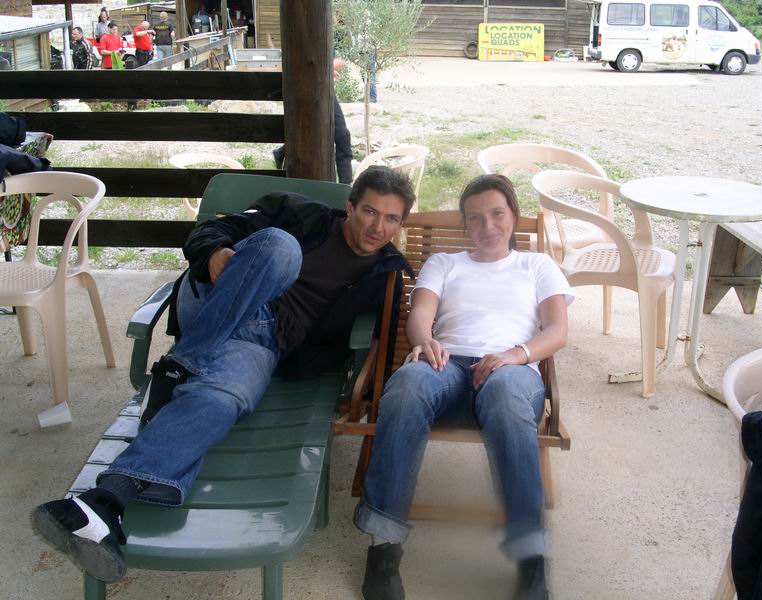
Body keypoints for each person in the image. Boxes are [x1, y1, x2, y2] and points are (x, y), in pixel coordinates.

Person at [30, 166, 415, 584]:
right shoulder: (300, 215)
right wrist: (213, 252)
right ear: (350, 207)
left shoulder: (385, 275)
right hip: (216, 298)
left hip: (262, 342)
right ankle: (182, 363)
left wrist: (362, 399)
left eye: (391, 218)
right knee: (280, 246)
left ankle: (101, 504)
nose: (377, 227)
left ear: (401, 223)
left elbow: (384, 346)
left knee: (223, 397)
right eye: (370, 212)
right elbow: (211, 231)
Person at [353, 174, 573, 600]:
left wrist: (515, 355)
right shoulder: (444, 263)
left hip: (510, 371)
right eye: (475, 218)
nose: (488, 225)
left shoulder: (538, 266)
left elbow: (557, 331)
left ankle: (531, 562)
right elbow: (421, 314)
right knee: (408, 385)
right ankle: (383, 550)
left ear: (513, 215)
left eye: (497, 214)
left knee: (506, 397)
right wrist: (424, 341)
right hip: (446, 365)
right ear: (465, 223)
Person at [273, 58, 353, 185]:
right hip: (306, 86)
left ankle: (346, 184)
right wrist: (328, 68)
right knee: (315, 131)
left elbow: (340, 61)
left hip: (322, 87)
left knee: (341, 134)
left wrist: (328, 68)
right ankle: (346, 184)